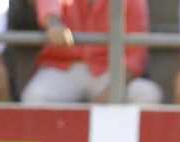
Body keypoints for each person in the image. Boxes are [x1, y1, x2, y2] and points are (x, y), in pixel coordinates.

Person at [23, 0, 163, 104]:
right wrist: (54, 24)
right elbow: (49, 4)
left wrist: (113, 89)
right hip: (63, 67)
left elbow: (137, 52)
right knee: (34, 96)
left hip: (111, 71)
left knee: (148, 94)